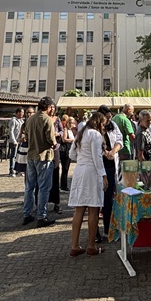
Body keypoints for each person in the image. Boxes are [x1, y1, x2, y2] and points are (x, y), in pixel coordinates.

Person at [68, 112, 108, 257]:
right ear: (99, 123)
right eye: (103, 124)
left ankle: (74, 245)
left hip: (80, 171)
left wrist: (82, 158)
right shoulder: (95, 135)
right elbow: (97, 157)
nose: (104, 127)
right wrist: (104, 175)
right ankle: (91, 245)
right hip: (91, 172)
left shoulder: (81, 133)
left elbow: (71, 154)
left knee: (79, 209)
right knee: (93, 209)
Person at [22, 96, 57, 228]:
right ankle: (41, 216)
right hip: (43, 156)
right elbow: (51, 139)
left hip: (31, 155)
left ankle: (27, 214)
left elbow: (25, 134)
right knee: (43, 188)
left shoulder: (30, 119)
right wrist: (55, 144)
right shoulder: (47, 119)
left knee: (29, 187)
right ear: (48, 107)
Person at [97, 106, 122, 242]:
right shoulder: (94, 129)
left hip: (111, 166)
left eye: (110, 117)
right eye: (106, 118)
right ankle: (95, 232)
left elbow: (119, 140)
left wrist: (113, 151)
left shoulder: (113, 126)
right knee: (96, 200)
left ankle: (108, 229)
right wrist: (105, 153)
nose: (108, 120)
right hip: (98, 167)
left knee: (108, 199)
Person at [60, 116, 75, 192]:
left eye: (72, 123)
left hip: (69, 150)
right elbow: (64, 139)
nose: (71, 124)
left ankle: (64, 184)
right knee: (65, 168)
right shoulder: (65, 130)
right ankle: (63, 185)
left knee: (66, 168)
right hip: (65, 150)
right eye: (70, 122)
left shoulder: (70, 130)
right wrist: (73, 140)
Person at [8, 107, 24, 177]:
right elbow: (11, 131)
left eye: (23, 112)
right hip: (14, 141)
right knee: (13, 155)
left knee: (19, 156)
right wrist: (14, 140)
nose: (22, 114)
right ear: (17, 113)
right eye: (21, 112)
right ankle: (12, 170)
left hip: (20, 141)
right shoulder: (13, 120)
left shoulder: (22, 121)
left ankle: (18, 170)